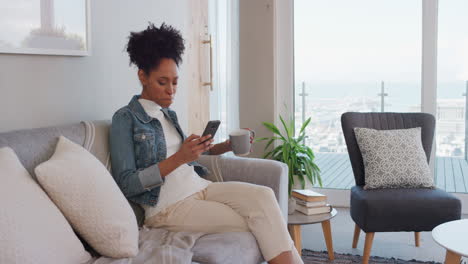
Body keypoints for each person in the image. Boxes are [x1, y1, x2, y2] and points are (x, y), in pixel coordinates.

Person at [109, 22, 303, 264]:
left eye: (175, 82)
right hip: (168, 208)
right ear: (142, 77)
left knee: (264, 197)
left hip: (199, 187)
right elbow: (127, 184)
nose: (171, 90)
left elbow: (191, 158)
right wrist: (179, 157)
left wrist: (225, 147)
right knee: (260, 222)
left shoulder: (168, 114)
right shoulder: (124, 119)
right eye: (162, 82)